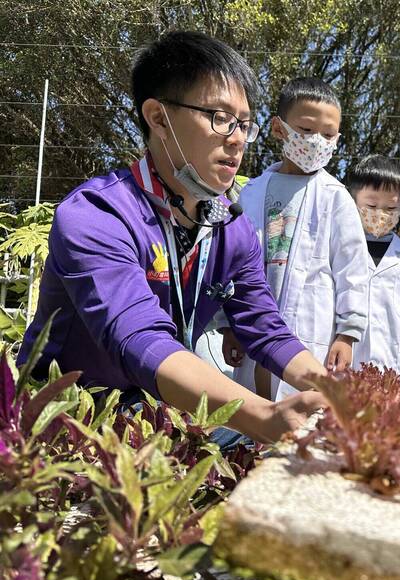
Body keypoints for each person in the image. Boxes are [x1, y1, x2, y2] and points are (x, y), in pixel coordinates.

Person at [17, 31, 327, 445]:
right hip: (60, 425)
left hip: (155, 418)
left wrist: (336, 393)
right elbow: (139, 338)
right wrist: (263, 416)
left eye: (245, 125)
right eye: (219, 118)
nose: (236, 139)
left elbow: (266, 330)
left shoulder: (231, 229)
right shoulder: (97, 216)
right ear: (159, 118)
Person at [222, 77, 370, 400]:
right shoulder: (251, 193)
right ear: (279, 129)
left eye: (328, 135)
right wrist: (228, 325)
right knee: (251, 406)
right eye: (305, 130)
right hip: (253, 322)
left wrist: (348, 334)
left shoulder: (335, 197)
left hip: (310, 329)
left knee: (302, 410)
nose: (316, 141)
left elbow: (353, 271)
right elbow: (230, 262)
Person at [347, 155, 400, 384]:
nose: (380, 214)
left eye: (391, 208)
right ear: (351, 200)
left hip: (395, 367)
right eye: (371, 205)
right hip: (345, 366)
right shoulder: (341, 251)